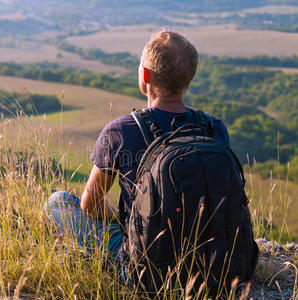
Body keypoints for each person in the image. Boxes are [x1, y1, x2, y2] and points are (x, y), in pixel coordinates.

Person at [45, 30, 230, 281]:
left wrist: (130, 219)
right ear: (190, 78)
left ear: (145, 76)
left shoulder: (121, 131)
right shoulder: (213, 128)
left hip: (142, 271)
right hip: (213, 266)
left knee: (57, 202)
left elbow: (90, 204)